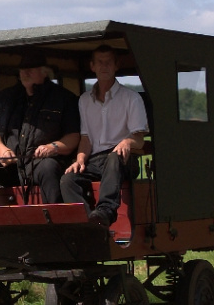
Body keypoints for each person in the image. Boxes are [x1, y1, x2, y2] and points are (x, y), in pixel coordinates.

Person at [0, 54, 80, 206]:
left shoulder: (64, 98)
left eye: (31, 69)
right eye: (22, 70)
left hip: (41, 166)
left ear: (45, 72)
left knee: (49, 166)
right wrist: (2, 151)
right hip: (12, 167)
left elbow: (73, 136)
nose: (25, 73)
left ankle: (54, 222)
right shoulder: (6, 98)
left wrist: (52, 147)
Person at [60, 44, 150, 226]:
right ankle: (86, 223)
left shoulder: (131, 98)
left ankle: (105, 212)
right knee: (68, 179)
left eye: (108, 62)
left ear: (116, 65)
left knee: (114, 156)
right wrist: (79, 160)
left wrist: (127, 141)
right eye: (100, 62)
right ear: (92, 66)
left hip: (124, 160)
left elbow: (139, 140)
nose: (104, 66)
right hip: (95, 161)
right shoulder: (84, 100)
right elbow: (86, 138)